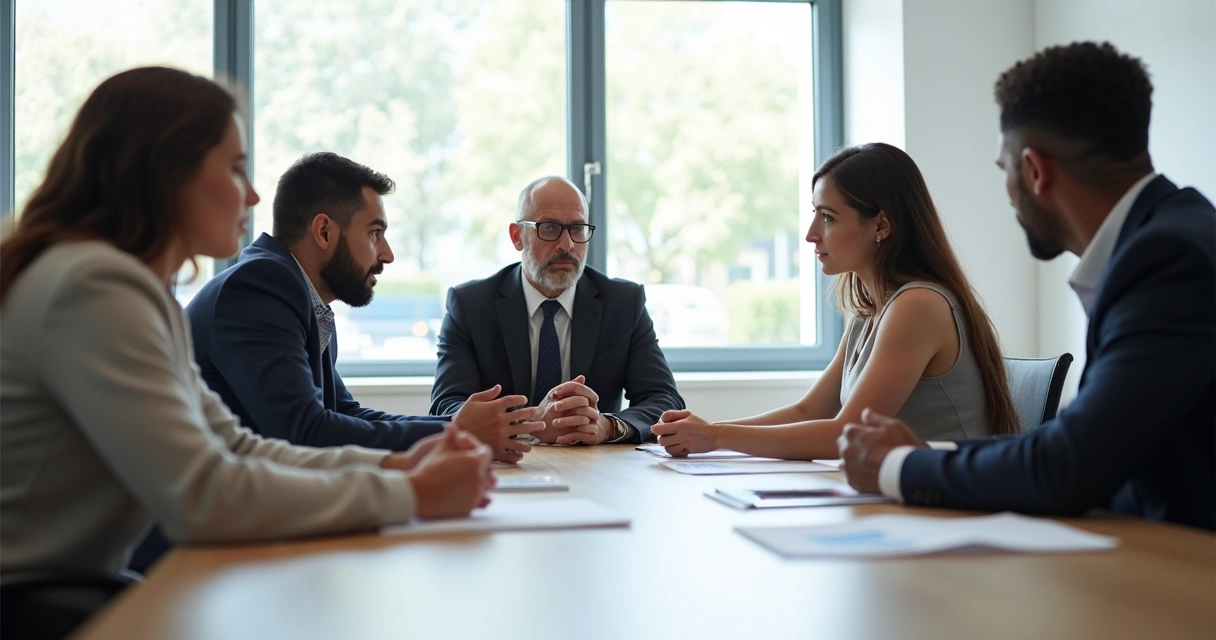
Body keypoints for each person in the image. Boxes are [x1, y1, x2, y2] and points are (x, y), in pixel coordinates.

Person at [0, 67, 494, 611]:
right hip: (32, 604)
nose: (254, 193)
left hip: (73, 590)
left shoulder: (140, 294)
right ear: (167, 173)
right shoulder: (94, 287)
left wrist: (395, 466)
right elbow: (204, 492)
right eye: (236, 169)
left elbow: (236, 446)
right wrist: (412, 493)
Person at [837, 42, 1215, 531]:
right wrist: (924, 451)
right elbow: (1078, 440)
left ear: (1035, 171)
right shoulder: (1171, 237)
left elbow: (1071, 464)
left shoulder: (1167, 260)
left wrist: (897, 467)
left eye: (1004, 169)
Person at [652, 143, 1019, 459]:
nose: (811, 234)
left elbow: (845, 431)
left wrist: (716, 437)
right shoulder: (870, 312)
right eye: (815, 213)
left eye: (827, 217)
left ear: (881, 226)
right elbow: (809, 409)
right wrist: (707, 430)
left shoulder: (918, 306)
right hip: (906, 497)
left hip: (948, 510)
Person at [186, 152, 542, 463]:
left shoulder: (301, 295)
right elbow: (306, 432)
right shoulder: (260, 287)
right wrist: (459, 433)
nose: (387, 254)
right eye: (375, 233)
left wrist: (464, 425)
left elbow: (344, 413)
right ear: (324, 231)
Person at [430, 176, 684, 445]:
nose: (567, 244)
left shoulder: (622, 303)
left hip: (595, 468)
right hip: (505, 466)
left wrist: (608, 426)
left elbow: (664, 399)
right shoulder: (471, 305)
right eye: (549, 228)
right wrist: (531, 425)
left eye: (577, 228)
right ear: (517, 237)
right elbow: (447, 407)